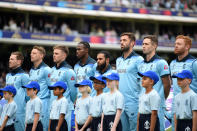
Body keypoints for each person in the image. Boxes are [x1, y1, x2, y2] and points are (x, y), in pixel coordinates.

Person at [138, 35, 171, 130]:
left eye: (146, 44)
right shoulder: (141, 64)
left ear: (154, 46)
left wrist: (160, 100)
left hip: (156, 106)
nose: (143, 46)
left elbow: (167, 85)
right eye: (143, 44)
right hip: (143, 106)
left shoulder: (161, 63)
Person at [116, 32, 143, 131]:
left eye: (124, 40)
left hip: (134, 102)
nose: (122, 42)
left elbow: (143, 82)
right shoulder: (118, 60)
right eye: (121, 41)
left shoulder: (139, 59)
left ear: (132, 43)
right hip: (121, 103)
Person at [170, 35, 197, 130]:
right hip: (176, 106)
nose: (176, 46)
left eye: (179, 44)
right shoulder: (172, 63)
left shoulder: (194, 63)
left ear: (187, 47)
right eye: (175, 44)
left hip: (191, 107)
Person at [50, 45, 77, 131]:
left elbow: (73, 93)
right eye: (53, 53)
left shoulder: (69, 71)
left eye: (57, 53)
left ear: (64, 55)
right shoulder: (52, 70)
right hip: (53, 108)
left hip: (65, 110)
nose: (54, 55)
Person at [6, 51, 30, 131]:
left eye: (12, 59)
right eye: (9, 59)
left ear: (19, 61)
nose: (9, 61)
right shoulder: (8, 76)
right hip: (7, 113)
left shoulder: (24, 76)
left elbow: (28, 97)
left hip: (19, 114)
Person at [30, 46, 51, 131]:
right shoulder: (31, 70)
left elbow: (52, 89)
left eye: (34, 53)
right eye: (31, 53)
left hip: (44, 104)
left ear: (41, 55)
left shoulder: (47, 70)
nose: (31, 55)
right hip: (32, 104)